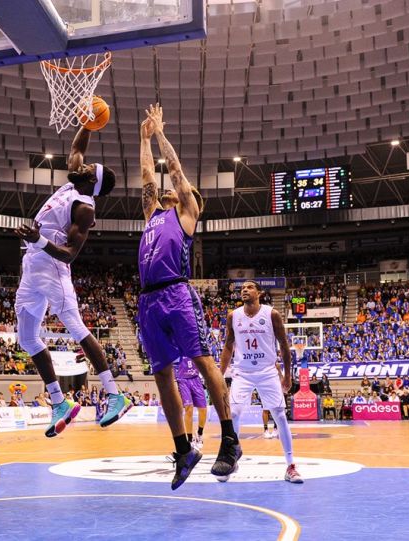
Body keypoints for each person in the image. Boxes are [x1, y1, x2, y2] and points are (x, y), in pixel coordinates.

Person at [137, 104, 240, 489]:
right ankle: (183, 449)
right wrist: (142, 138)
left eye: (175, 191)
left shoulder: (186, 213)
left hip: (177, 293)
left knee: (202, 360)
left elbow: (174, 171)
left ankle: (229, 438)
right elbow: (148, 176)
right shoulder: (152, 217)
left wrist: (161, 134)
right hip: (148, 301)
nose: (167, 190)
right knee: (163, 375)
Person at [14, 124, 131, 438]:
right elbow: (76, 151)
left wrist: (38, 240)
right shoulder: (72, 187)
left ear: (93, 180)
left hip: (53, 267)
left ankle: (115, 394)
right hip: (31, 268)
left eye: (90, 168)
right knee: (26, 338)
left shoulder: (83, 208)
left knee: (76, 327)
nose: (83, 165)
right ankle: (59, 403)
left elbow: (69, 254)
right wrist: (87, 123)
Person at [219, 280, 303, 484]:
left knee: (280, 416)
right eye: (242, 289)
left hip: (267, 371)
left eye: (249, 287)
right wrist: (219, 375)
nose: (244, 291)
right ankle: (231, 460)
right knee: (235, 414)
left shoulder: (271, 314)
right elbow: (229, 345)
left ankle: (290, 465)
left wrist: (287, 376)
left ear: (259, 293)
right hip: (242, 371)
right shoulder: (233, 316)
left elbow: (284, 345)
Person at [173, 357, 207, 450]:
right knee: (189, 409)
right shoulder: (175, 344)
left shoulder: (194, 344)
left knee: (203, 409)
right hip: (182, 379)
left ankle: (199, 433)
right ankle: (190, 439)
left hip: (196, 379)